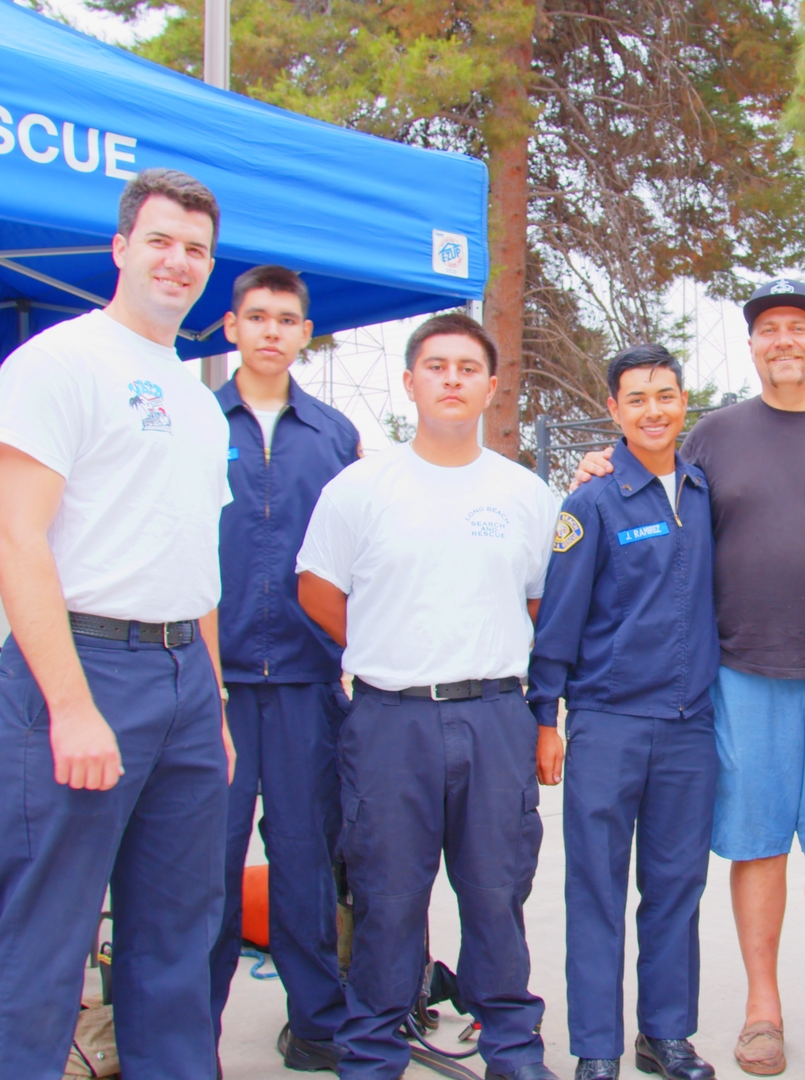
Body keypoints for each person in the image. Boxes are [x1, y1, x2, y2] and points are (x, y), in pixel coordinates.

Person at [574, 279, 805, 1075]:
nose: (783, 340)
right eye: (767, 329)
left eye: (799, 328)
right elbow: (652, 472)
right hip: (740, 674)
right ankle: (762, 1011)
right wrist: (599, 465)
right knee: (757, 845)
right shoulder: (714, 433)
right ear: (752, 347)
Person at [0, 168, 234, 1080]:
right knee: (47, 943)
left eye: (196, 249)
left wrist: (217, 711)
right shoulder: (58, 362)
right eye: (160, 240)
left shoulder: (199, 400)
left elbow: (196, 566)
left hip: (185, 682)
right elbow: (15, 536)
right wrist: (72, 706)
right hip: (83, 669)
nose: (179, 261)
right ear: (120, 248)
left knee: (176, 944)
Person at [296, 312, 563, 1080]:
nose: (452, 379)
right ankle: (374, 1054)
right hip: (390, 720)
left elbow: (543, 606)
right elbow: (317, 589)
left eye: (467, 368)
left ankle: (512, 1049)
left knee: (497, 894)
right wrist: (388, 645)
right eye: (436, 366)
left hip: (494, 719)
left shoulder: (525, 494)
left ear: (489, 385)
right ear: (410, 381)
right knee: (385, 897)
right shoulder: (361, 487)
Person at [529, 345, 720, 1080]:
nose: (653, 411)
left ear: (682, 402)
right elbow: (561, 620)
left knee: (676, 887)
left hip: (688, 727)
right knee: (597, 891)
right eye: (636, 398)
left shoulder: (704, 492)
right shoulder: (591, 502)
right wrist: (546, 715)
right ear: (613, 410)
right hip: (607, 724)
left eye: (666, 396)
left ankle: (664, 1036)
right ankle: (596, 1048)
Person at [209, 265, 361, 1071]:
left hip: (307, 684)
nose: (271, 330)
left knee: (306, 862)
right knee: (203, 866)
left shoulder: (336, 436)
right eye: (256, 317)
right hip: (212, 687)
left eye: (287, 319)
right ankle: (183, 1033)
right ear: (230, 327)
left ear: (306, 333)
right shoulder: (194, 424)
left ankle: (316, 1026)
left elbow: (358, 557)